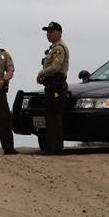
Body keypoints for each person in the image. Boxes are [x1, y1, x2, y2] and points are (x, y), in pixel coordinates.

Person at [36, 21, 69, 155]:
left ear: (59, 33)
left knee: (53, 116)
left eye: (51, 32)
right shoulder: (53, 47)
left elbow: (56, 67)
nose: (48, 35)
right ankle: (54, 147)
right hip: (52, 84)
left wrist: (41, 73)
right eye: (47, 32)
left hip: (56, 85)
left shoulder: (59, 48)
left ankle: (54, 148)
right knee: (51, 116)